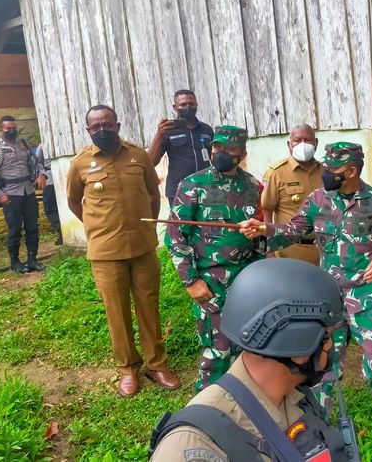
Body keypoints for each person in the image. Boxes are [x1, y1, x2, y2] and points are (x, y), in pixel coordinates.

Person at [240, 142, 372, 437]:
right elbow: (294, 229)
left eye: (333, 170)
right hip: (328, 294)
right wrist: (263, 230)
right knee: (321, 363)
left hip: (368, 293)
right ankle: (319, 420)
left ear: (352, 171)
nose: (326, 175)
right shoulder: (318, 199)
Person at [149, 257, 352, 462]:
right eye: (328, 335)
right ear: (298, 344)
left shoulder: (295, 397)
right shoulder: (194, 445)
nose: (334, 345)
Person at [66, 104, 181, 397]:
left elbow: (153, 193)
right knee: (116, 312)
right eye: (96, 127)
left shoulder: (138, 155)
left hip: (142, 247)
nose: (102, 130)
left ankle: (157, 365)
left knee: (149, 307)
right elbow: (74, 202)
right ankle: (128, 368)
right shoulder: (80, 163)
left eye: (107, 124)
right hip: (105, 252)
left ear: (118, 125)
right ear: (88, 130)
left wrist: (147, 225)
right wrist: (99, 226)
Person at [166, 125, 263, 393]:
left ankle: (243, 400)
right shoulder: (193, 185)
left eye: (228, 149)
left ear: (241, 153)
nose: (219, 153)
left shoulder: (253, 186)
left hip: (246, 281)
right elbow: (175, 235)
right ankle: (206, 408)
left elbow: (258, 236)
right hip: (211, 282)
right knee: (217, 351)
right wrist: (190, 281)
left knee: (247, 345)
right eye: (216, 147)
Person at [0, 115, 47, 274]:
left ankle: (32, 259)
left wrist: (41, 175)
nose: (12, 131)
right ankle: (15, 262)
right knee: (15, 229)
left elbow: (36, 162)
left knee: (32, 226)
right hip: (11, 194)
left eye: (14, 128)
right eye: (8, 129)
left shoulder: (23, 144)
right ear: (1, 129)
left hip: (28, 191)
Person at [261, 124, 323, 265]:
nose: (303, 144)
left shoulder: (325, 172)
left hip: (325, 250)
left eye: (308, 140)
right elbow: (267, 212)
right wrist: (269, 252)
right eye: (297, 140)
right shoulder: (276, 173)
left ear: (316, 143)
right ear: (289, 145)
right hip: (290, 251)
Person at [147, 90, 214, 209]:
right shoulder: (167, 131)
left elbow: (214, 158)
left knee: (207, 226)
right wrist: (159, 135)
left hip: (206, 187)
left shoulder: (206, 130)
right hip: (179, 190)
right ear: (175, 107)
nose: (188, 107)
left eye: (191, 104)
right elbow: (150, 162)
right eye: (183, 105)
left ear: (196, 105)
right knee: (181, 226)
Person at [36, 143, 62, 245]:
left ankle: (62, 232)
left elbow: (37, 161)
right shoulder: (43, 146)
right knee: (53, 207)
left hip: (57, 177)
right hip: (51, 178)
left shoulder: (43, 145)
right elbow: (37, 162)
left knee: (51, 208)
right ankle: (61, 232)